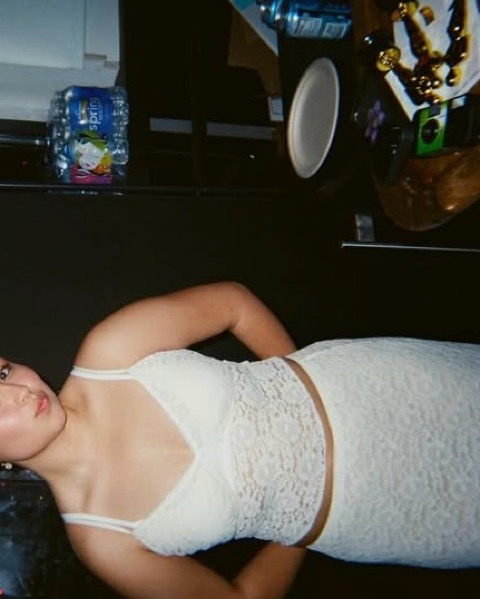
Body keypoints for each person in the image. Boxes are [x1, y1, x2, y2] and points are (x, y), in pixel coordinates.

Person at [1, 280, 479, 599]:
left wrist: (296, 381)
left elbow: (232, 304)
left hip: (380, 390)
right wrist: (300, 517)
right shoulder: (103, 542)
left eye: (3, 372)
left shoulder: (109, 351)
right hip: (378, 511)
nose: (19, 392)